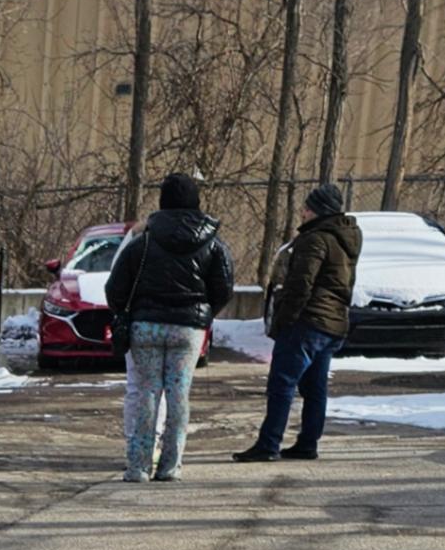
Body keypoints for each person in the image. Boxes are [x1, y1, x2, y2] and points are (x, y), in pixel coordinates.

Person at [104, 172, 236, 484]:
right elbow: (224, 288)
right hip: (188, 330)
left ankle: (138, 467)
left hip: (146, 328)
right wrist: (203, 314)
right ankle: (170, 467)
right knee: (179, 395)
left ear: (163, 202)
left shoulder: (143, 241)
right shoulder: (213, 243)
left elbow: (115, 288)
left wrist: (128, 311)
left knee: (147, 392)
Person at [235, 183, 361, 463]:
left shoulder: (314, 240)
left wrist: (284, 319)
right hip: (332, 323)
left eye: (307, 207)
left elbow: (300, 284)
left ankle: (269, 443)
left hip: (307, 322)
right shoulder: (346, 239)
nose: (303, 212)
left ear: (318, 211)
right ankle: (307, 443)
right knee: (315, 388)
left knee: (282, 384)